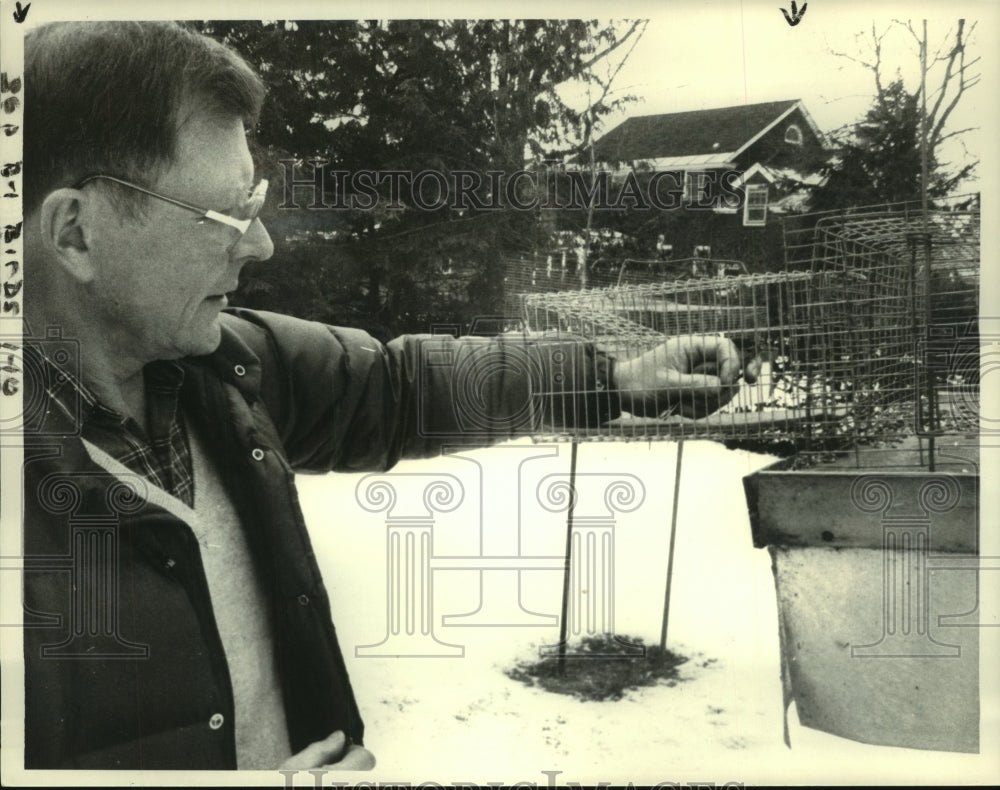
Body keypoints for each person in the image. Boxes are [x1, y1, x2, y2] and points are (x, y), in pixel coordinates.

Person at [18, 21, 745, 771]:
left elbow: (403, 387)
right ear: (75, 232)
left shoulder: (224, 370)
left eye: (257, 201)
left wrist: (613, 377)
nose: (260, 243)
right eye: (227, 214)